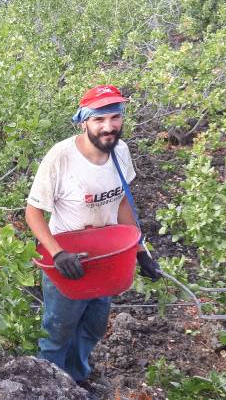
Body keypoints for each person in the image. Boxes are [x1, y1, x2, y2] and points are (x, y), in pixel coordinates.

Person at [24, 85, 161, 388]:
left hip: (107, 259)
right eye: (99, 120)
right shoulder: (60, 157)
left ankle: (77, 377)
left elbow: (123, 201)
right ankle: (52, 385)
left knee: (93, 326)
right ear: (84, 121)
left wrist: (140, 251)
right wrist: (58, 254)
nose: (108, 127)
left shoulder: (120, 152)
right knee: (58, 332)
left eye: (115, 118)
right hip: (69, 261)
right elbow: (33, 214)